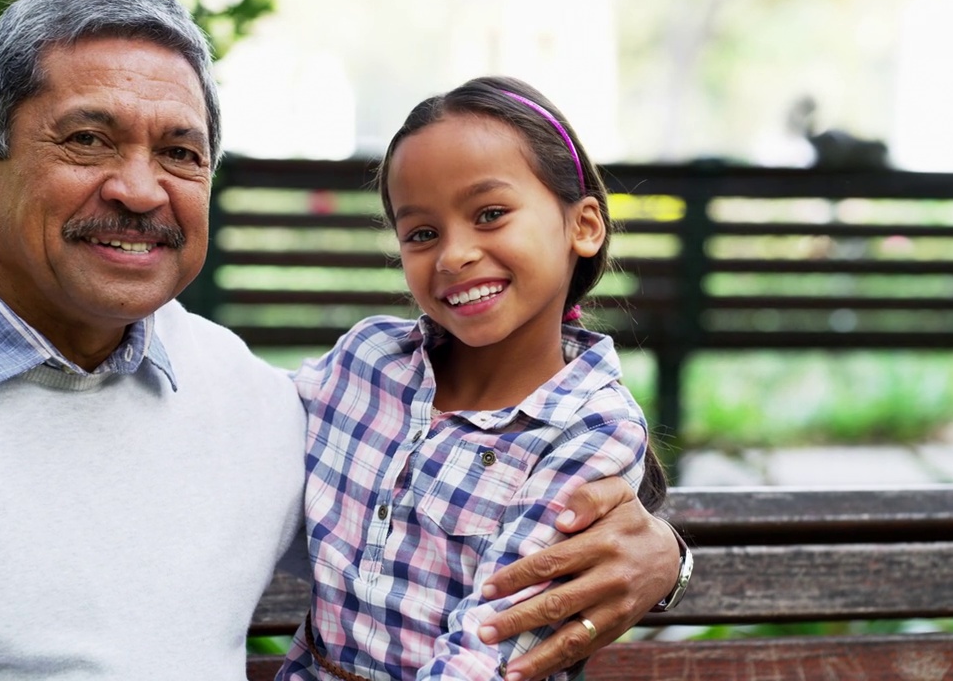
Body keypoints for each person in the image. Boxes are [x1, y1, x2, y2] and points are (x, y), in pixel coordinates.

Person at [0, 0, 685, 681]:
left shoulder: (234, 393)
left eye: (179, 152)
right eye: (89, 139)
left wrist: (664, 554)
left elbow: (424, 513)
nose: (139, 188)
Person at [278, 77, 667, 681]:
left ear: (583, 226)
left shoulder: (592, 428)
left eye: (490, 214)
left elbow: (490, 645)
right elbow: (236, 414)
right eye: (422, 234)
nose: (453, 254)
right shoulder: (368, 361)